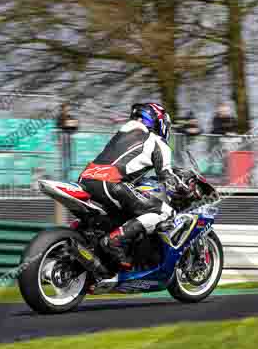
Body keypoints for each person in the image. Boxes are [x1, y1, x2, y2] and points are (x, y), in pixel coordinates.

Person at [78, 102, 189, 269]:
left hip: (86, 179)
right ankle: (114, 241)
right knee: (164, 212)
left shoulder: (121, 134)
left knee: (108, 219)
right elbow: (166, 176)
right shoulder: (156, 141)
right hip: (110, 182)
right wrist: (185, 189)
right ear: (158, 122)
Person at [57, 102, 79, 181]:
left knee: (70, 156)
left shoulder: (71, 116)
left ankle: (69, 176)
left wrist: (71, 125)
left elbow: (76, 126)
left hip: (69, 136)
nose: (66, 110)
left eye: (67, 108)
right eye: (65, 108)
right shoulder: (59, 117)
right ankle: (63, 176)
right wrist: (66, 125)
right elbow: (58, 125)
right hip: (63, 137)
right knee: (63, 157)